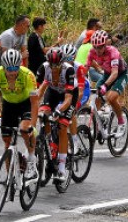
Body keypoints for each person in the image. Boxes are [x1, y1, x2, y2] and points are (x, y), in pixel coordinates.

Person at [0, 49, 41, 181]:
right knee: (7, 142)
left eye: (15, 68)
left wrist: (32, 126)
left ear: (19, 65)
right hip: (9, 104)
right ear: (3, 67)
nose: (12, 72)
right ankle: (10, 177)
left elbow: (35, 103)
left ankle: (32, 160)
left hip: (25, 104)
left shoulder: (28, 75)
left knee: (24, 129)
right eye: (9, 69)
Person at [37, 47, 76, 183]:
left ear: (62, 63)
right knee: (43, 115)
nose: (54, 68)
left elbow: (68, 99)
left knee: (62, 127)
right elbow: (37, 93)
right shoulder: (43, 68)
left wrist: (59, 111)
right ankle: (48, 144)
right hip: (53, 92)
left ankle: (61, 168)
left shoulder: (69, 70)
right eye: (52, 65)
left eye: (57, 65)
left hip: (68, 95)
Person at [86, 30, 128, 137]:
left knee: (111, 98)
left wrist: (105, 86)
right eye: (95, 47)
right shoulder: (92, 52)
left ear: (105, 44)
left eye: (100, 47)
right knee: (96, 98)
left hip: (120, 75)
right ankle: (99, 125)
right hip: (107, 73)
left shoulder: (113, 52)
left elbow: (115, 73)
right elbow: (86, 67)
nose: (97, 50)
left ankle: (121, 122)